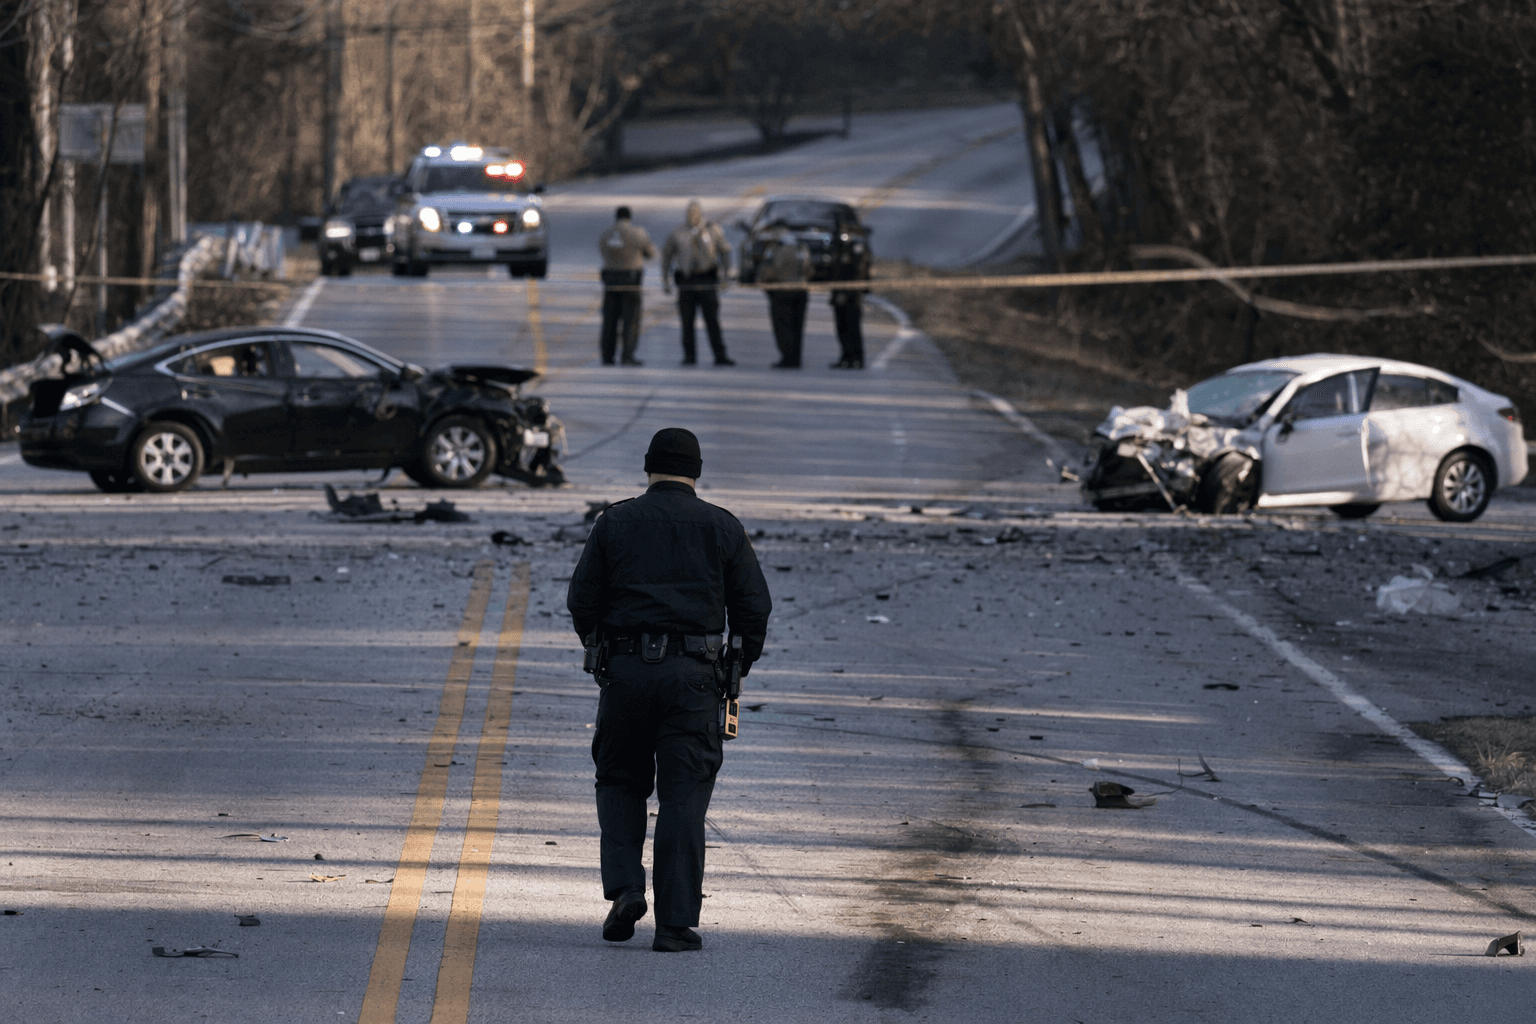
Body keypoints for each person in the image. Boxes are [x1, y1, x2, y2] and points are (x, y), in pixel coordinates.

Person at [566, 428, 772, 953]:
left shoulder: (614, 521)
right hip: (696, 678)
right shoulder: (722, 526)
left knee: (618, 781)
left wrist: (600, 650)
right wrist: (736, 664)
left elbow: (581, 598)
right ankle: (675, 924)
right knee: (684, 795)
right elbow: (753, 608)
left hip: (627, 672)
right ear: (697, 471)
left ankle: (626, 890)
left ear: (647, 467)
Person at [661, 200, 735, 366]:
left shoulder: (712, 229)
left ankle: (720, 355)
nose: (692, 216)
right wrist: (665, 280)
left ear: (700, 213)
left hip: (706, 279)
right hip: (687, 281)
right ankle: (689, 356)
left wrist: (725, 275)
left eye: (694, 213)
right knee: (687, 323)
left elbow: (725, 251)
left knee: (712, 321)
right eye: (689, 213)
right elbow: (666, 255)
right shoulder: (678, 233)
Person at [598, 206, 657, 366]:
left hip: (610, 281)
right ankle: (627, 355)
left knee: (609, 321)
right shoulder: (637, 233)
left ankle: (607, 356)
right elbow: (651, 253)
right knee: (631, 321)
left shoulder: (606, 234)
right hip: (631, 282)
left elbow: (602, 251)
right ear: (629, 217)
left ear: (616, 217)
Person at [756, 224, 811, 369]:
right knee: (797, 327)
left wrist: (762, 281)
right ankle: (795, 358)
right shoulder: (801, 247)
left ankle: (787, 358)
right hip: (801, 291)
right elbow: (809, 269)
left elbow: (771, 269)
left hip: (782, 291)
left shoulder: (777, 248)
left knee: (782, 327)